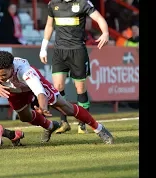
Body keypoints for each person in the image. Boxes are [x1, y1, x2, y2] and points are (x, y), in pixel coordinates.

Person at [0, 51, 114, 144]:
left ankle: (98, 128)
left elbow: (40, 93)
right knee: (24, 117)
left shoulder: (25, 72)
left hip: (32, 85)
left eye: (3, 75)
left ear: (12, 68)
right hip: (15, 91)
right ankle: (50, 126)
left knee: (66, 108)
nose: (0, 78)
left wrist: (43, 107)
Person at [39, 0, 110, 134]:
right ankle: (63, 122)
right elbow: (49, 25)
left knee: (80, 88)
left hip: (77, 51)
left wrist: (105, 32)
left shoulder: (83, 3)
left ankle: (82, 124)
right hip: (59, 51)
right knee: (58, 88)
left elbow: (99, 18)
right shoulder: (53, 4)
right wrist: (43, 48)